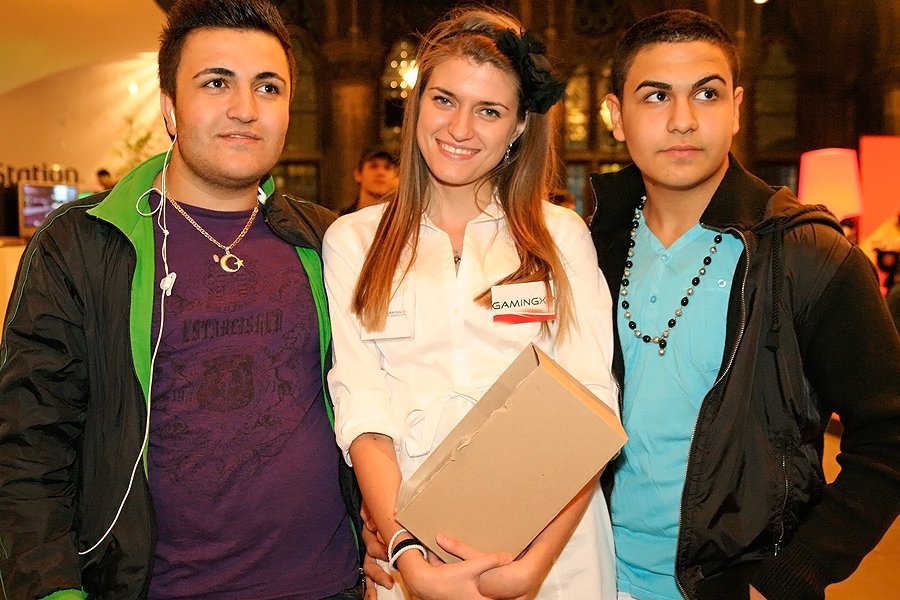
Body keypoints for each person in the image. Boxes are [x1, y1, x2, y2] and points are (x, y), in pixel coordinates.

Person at [0, 1, 363, 598]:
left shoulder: (329, 241)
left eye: (267, 87)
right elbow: (27, 446)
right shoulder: (82, 244)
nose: (245, 108)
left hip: (328, 584)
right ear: (170, 107)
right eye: (216, 82)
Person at [590, 9, 900, 600]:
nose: (683, 120)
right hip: (591, 574)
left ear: (736, 108)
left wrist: (793, 574)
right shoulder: (586, 249)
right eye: (656, 95)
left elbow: (889, 435)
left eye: (706, 94)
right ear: (615, 116)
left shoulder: (806, 254)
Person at [324, 6, 619, 600]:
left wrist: (531, 568)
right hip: (414, 551)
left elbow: (591, 409)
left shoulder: (559, 236)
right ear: (416, 105)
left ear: (518, 127)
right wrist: (407, 552)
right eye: (444, 100)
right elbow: (364, 412)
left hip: (554, 554)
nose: (460, 128)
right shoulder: (354, 241)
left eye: (489, 110)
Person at [341, 148, 399, 215]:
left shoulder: (401, 218)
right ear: (358, 174)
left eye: (387, 168)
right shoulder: (341, 218)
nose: (381, 172)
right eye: (373, 166)